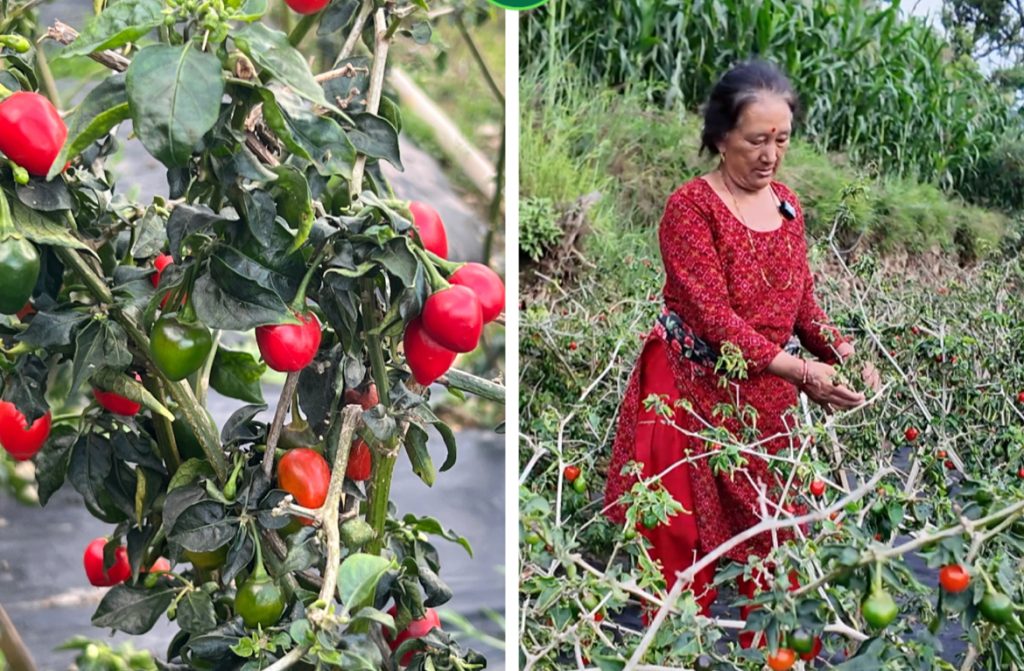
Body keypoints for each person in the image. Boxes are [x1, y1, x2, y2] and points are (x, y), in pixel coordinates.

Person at [602, 60, 882, 637]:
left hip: (764, 396)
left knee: (769, 534)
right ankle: (675, 647)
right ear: (720, 136)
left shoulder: (787, 207)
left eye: (781, 140)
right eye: (756, 140)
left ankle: (766, 643)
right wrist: (804, 372)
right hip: (684, 387)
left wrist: (847, 357)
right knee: (677, 536)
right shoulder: (691, 209)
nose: (770, 155)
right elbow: (713, 318)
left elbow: (803, 308)